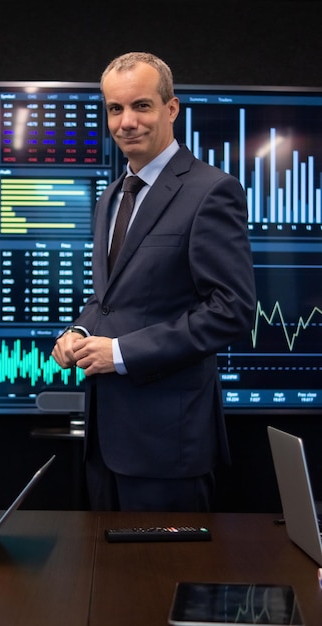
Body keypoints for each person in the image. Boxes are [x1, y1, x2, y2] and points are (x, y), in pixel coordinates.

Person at [51, 52, 256, 512]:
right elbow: (110, 298)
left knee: (164, 584)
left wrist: (120, 353)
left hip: (169, 448)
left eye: (141, 106)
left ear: (171, 108)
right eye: (115, 109)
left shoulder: (211, 190)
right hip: (105, 441)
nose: (127, 122)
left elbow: (232, 310)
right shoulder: (111, 195)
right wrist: (81, 332)